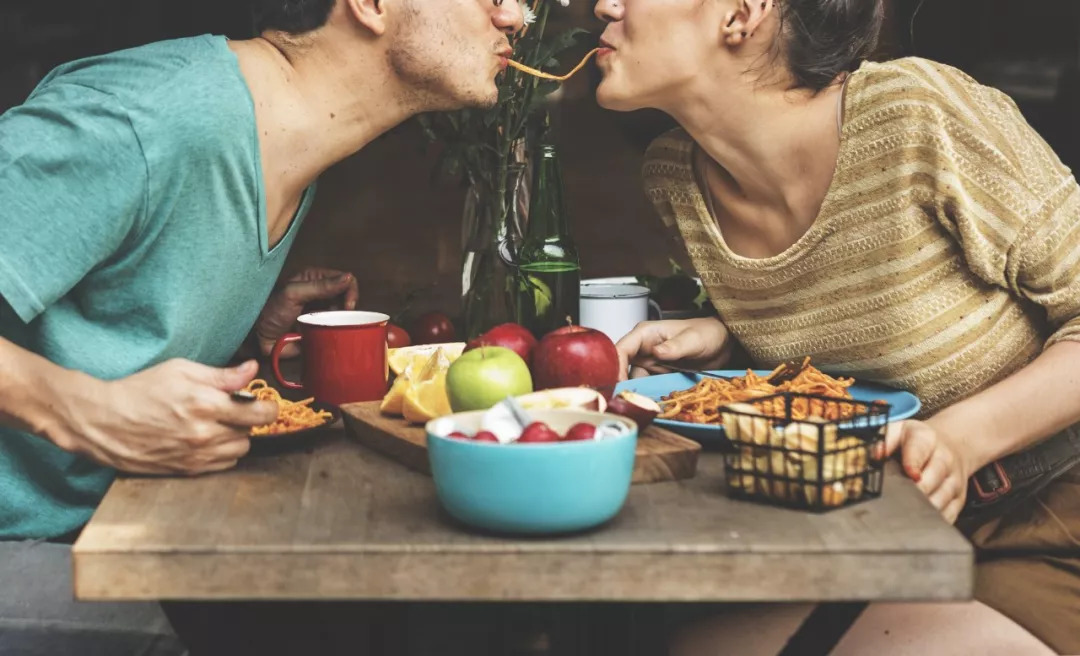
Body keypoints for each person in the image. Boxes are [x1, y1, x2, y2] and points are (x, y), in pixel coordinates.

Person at [0, 0, 524, 652]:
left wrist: (247, 335)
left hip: (110, 526)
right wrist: (87, 410)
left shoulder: (289, 138)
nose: (516, 17)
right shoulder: (147, 117)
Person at [596, 0, 1080, 653]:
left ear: (743, 12)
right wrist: (727, 340)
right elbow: (860, 330)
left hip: (1050, 512)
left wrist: (961, 440)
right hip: (883, 521)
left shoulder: (918, 116)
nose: (603, 4)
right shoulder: (674, 178)